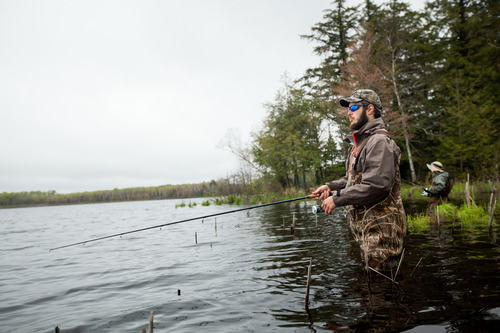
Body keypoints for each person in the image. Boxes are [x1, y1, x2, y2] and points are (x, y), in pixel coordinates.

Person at [312, 89, 406, 272]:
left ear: (370, 109)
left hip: (382, 232)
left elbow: (376, 185)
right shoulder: (360, 143)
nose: (349, 112)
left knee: (383, 290)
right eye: (348, 108)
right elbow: (353, 179)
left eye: (354, 106)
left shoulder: (379, 141)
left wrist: (337, 198)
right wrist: (330, 187)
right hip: (367, 231)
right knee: (373, 288)